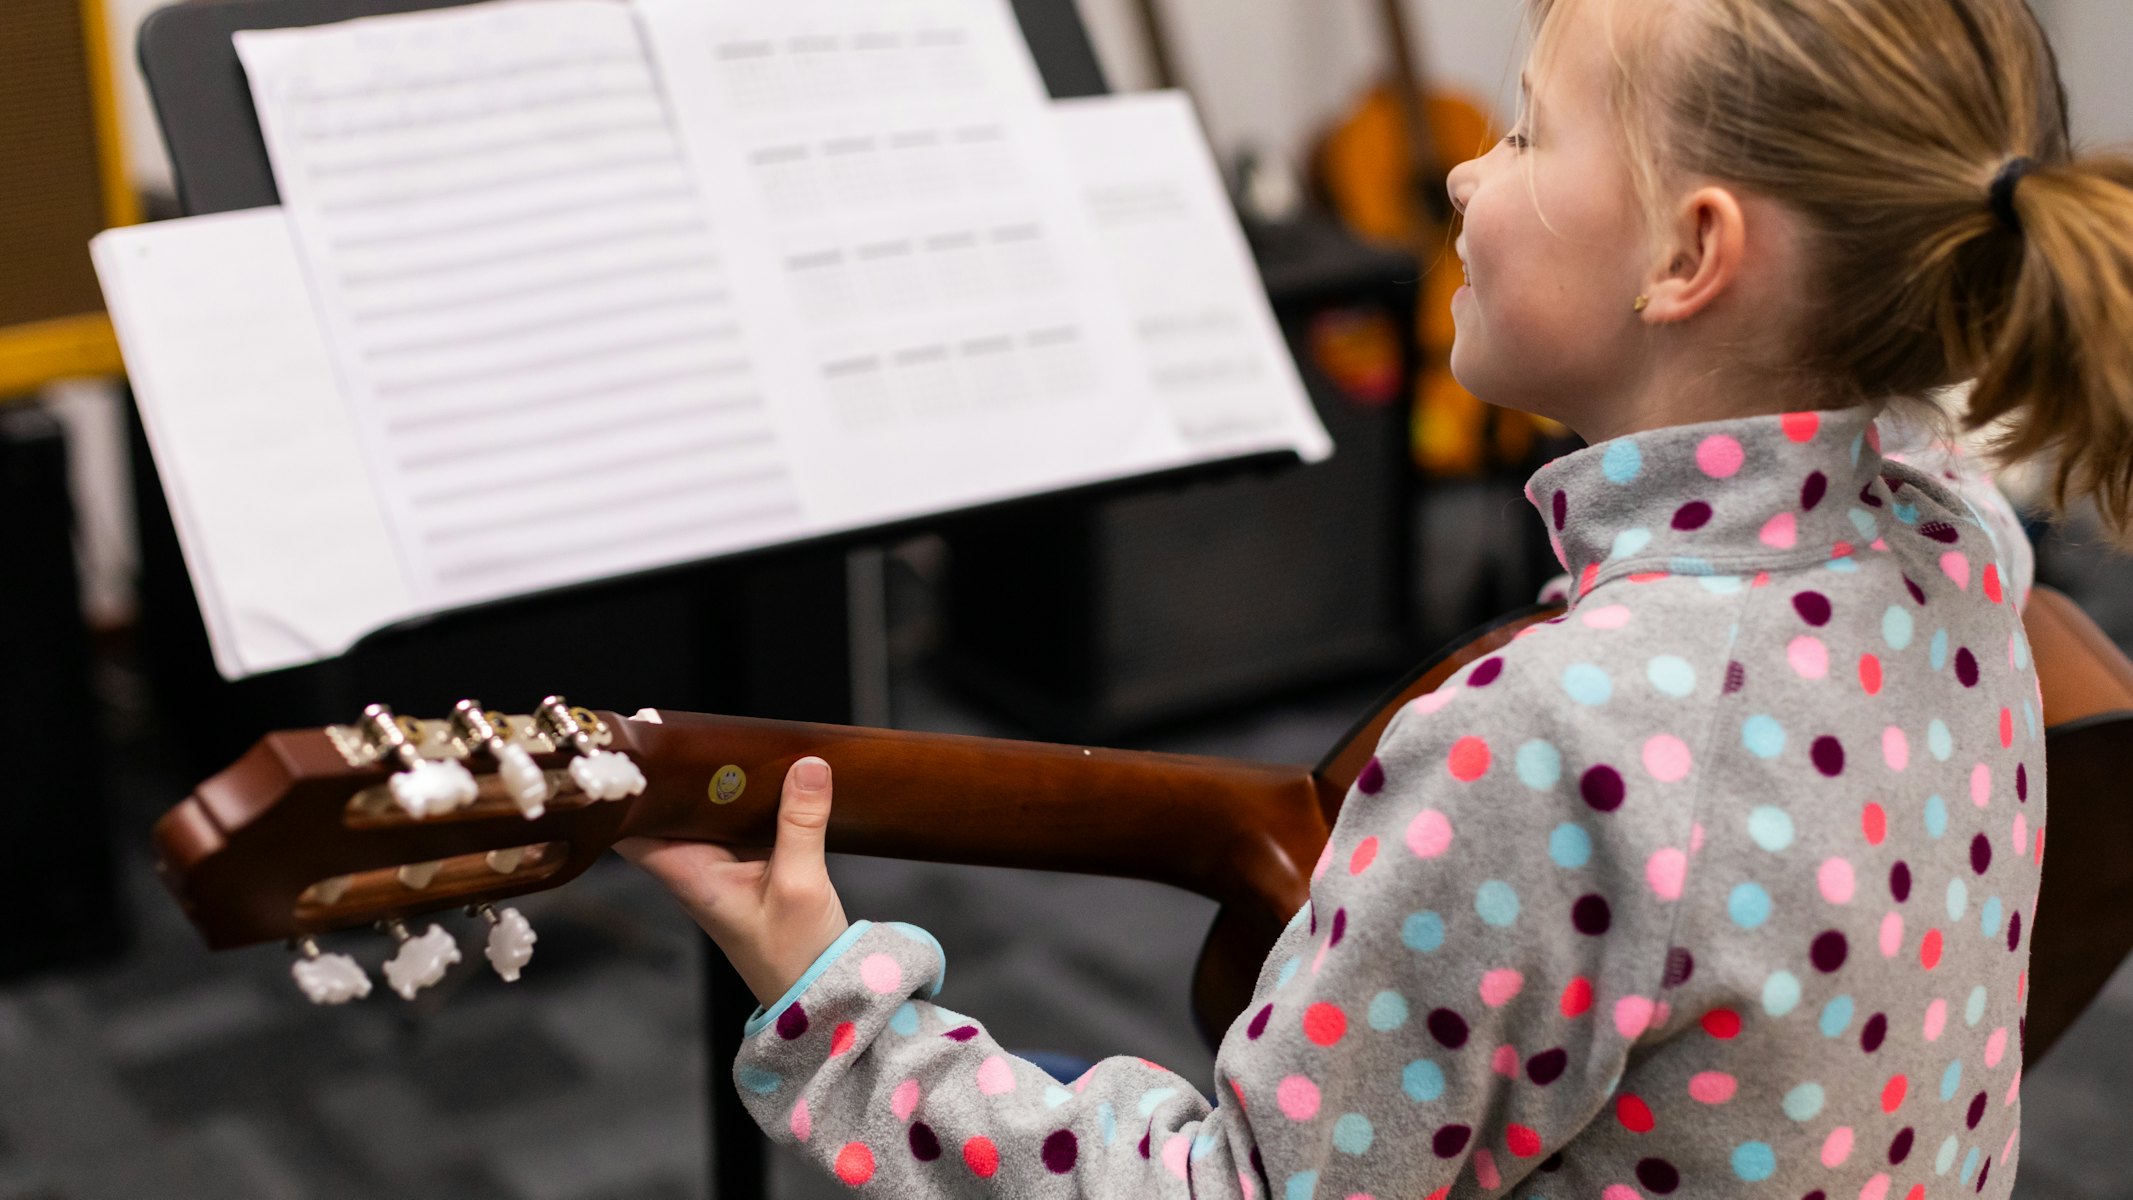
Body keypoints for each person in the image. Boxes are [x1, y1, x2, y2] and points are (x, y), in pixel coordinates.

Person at [621, 0, 2133, 1193]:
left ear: (1687, 254)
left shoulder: (1552, 741)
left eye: (1532, 131)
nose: (1470, 168)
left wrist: (835, 1009)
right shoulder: (1949, 534)